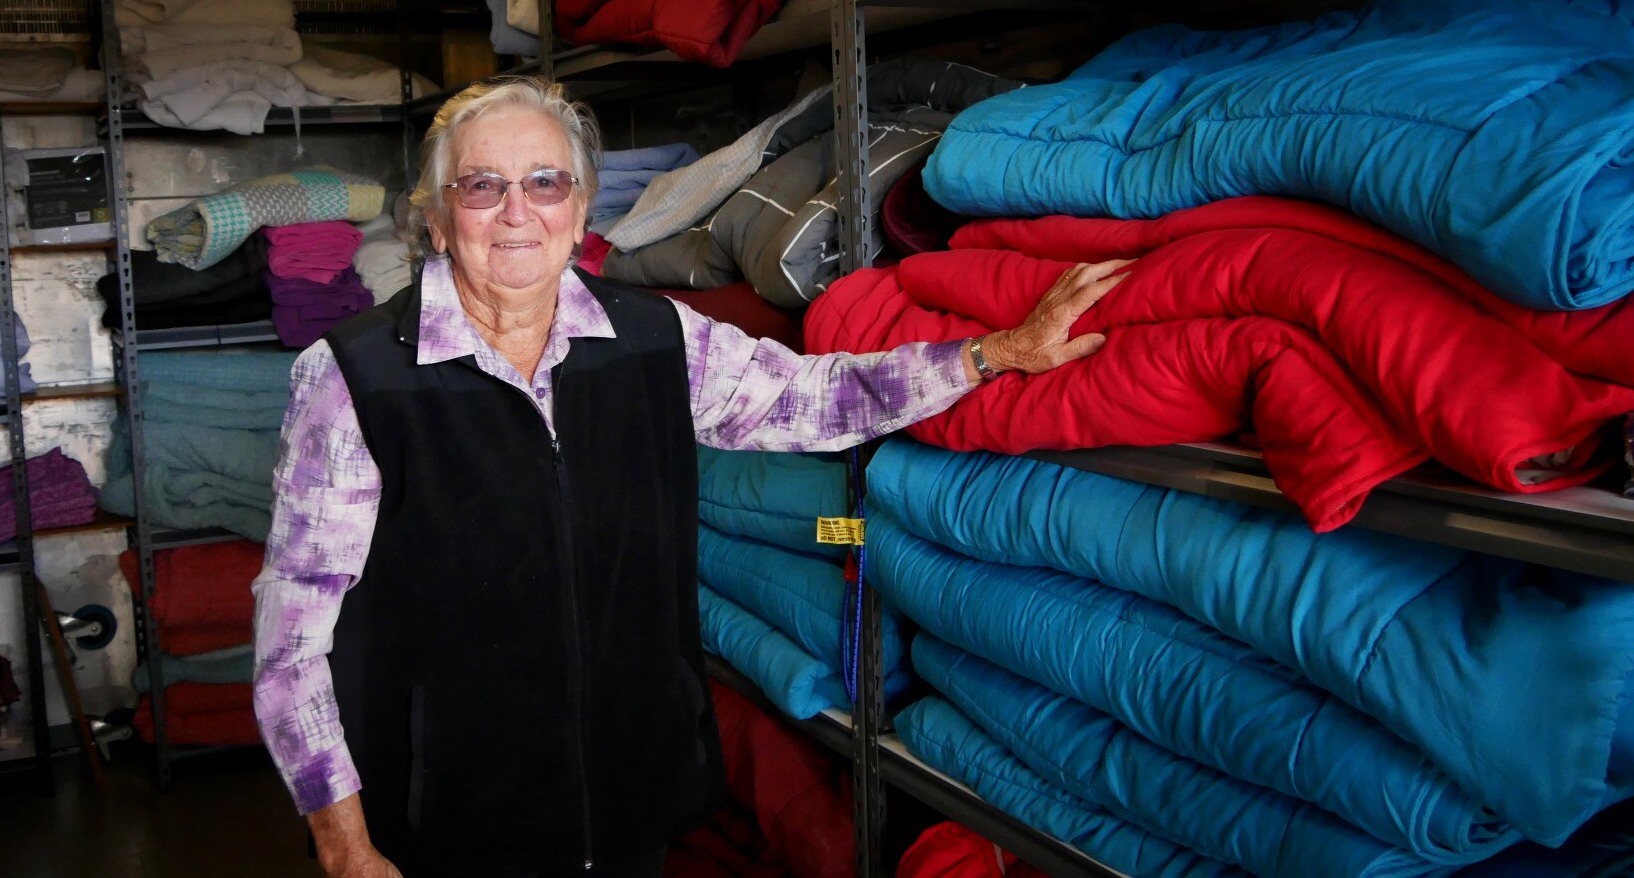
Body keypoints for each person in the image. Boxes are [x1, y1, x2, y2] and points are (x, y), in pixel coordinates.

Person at [252, 76, 1129, 878]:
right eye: (481, 186)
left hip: (631, 798)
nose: (516, 212)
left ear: (580, 206)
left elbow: (811, 400)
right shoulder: (359, 376)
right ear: (439, 219)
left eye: (545, 182)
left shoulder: (654, 337)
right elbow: (293, 635)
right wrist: (344, 841)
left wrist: (991, 355)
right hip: (449, 817)